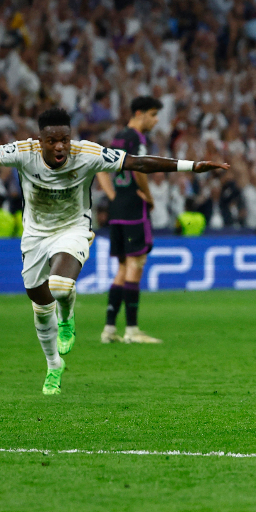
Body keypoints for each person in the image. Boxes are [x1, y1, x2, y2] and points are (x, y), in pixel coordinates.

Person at [0, 107, 228, 395]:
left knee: (60, 286)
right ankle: (53, 365)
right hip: (35, 236)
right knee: (40, 306)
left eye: (64, 140)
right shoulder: (24, 152)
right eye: (52, 141)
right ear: (40, 141)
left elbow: (137, 162)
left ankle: (68, 317)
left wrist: (193, 166)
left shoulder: (88, 153)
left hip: (73, 229)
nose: (60, 147)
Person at [96, 96, 165, 344]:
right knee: (136, 264)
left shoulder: (118, 138)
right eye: (153, 114)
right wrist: (148, 196)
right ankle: (133, 330)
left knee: (123, 268)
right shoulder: (136, 138)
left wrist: (113, 196)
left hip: (117, 211)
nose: (156, 120)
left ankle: (109, 329)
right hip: (134, 210)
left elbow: (100, 168)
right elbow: (140, 167)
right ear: (139, 113)